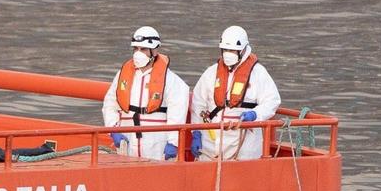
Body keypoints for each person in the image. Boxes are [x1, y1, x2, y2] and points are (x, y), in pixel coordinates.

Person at [190, 25, 281, 162]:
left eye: (232, 50)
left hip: (244, 142)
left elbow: (272, 101)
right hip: (211, 141)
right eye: (225, 50)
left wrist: (255, 114)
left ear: (243, 50)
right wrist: (196, 132)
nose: (228, 54)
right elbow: (198, 103)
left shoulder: (258, 74)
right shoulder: (211, 73)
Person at [101, 25, 188, 160]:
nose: (138, 53)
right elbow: (110, 104)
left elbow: (177, 115)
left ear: (154, 50)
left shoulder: (171, 81)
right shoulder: (122, 76)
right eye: (135, 49)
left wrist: (173, 142)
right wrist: (113, 129)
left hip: (157, 145)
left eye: (143, 49)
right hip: (127, 141)